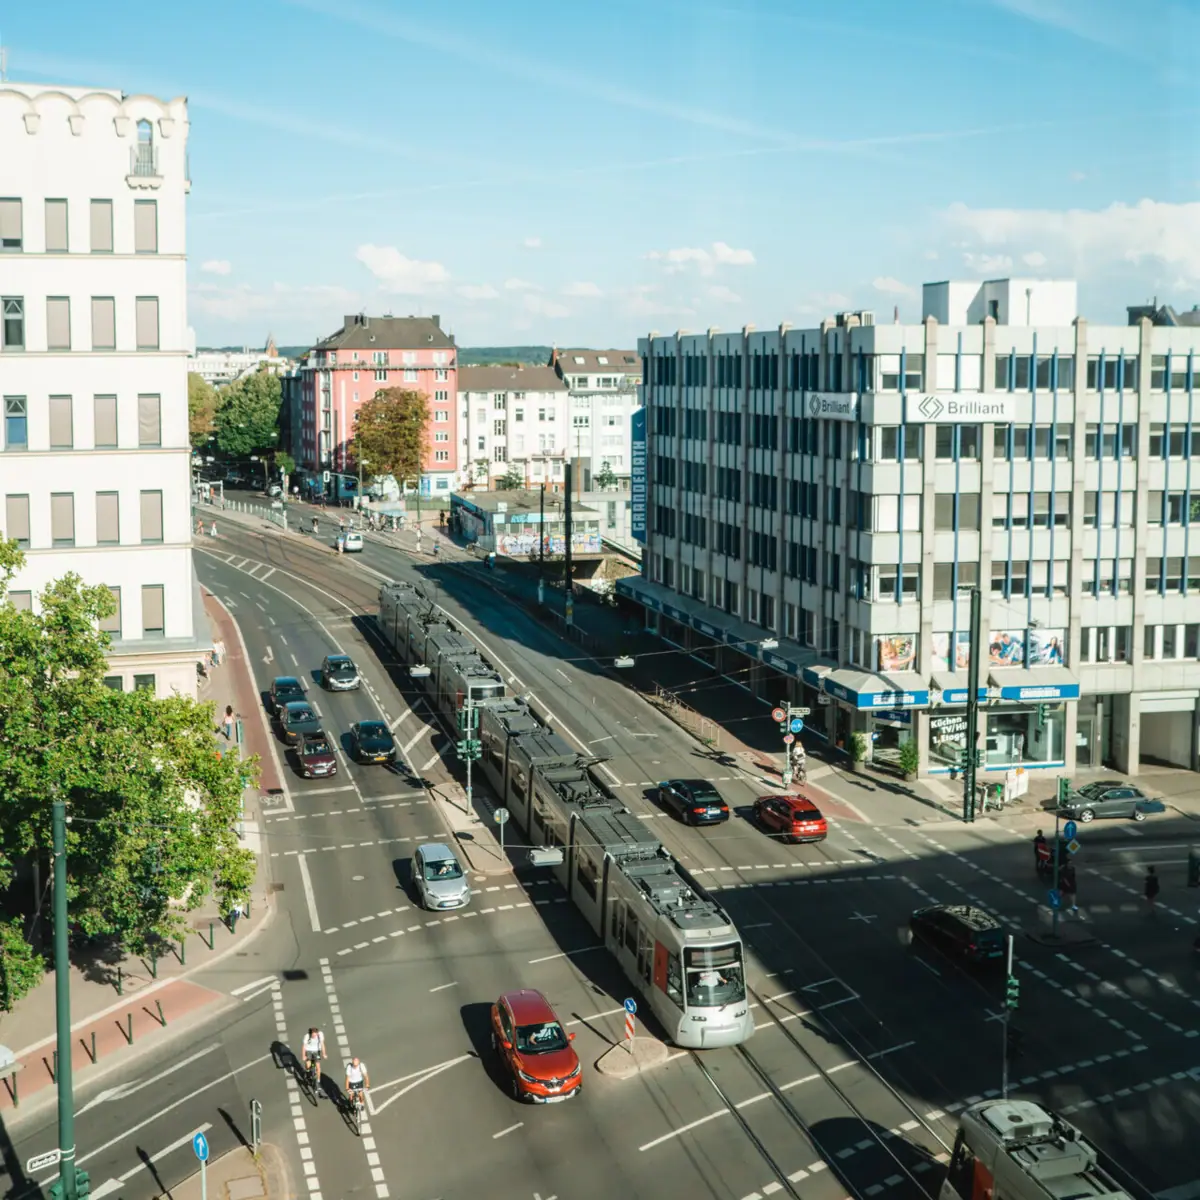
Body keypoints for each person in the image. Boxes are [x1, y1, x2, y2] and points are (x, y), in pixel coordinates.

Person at [302, 1027, 327, 1093]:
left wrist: (324, 1054)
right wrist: (303, 1055)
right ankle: (307, 1072)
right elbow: (304, 1047)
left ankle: (318, 1081)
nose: (314, 1036)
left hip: (317, 1051)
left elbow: (322, 1044)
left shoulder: (320, 1035)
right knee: (308, 1065)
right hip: (309, 1050)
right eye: (313, 1035)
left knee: (318, 1067)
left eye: (315, 1035)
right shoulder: (307, 1036)